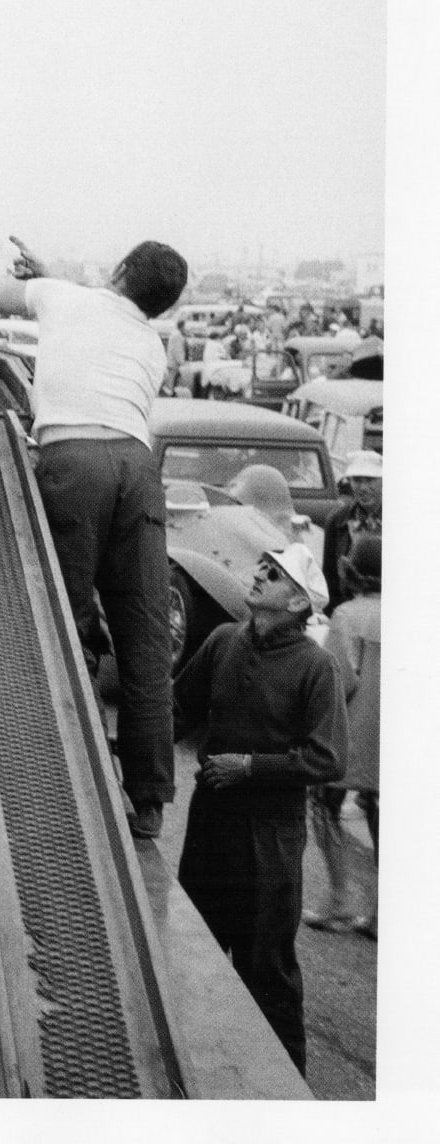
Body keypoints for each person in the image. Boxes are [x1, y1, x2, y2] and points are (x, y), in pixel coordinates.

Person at [0, 236, 189, 838]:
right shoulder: (150, 344)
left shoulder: (63, 299)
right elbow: (98, 316)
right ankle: (149, 800)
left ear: (120, 267)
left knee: (60, 624)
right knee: (145, 640)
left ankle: (63, 788)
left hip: (72, 461)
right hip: (137, 467)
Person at [174, 542, 345, 1077]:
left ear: (298, 604)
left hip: (268, 837)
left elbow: (329, 757)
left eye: (275, 575)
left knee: (265, 967)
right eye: (263, 566)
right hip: (210, 823)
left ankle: (286, 1093)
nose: (260, 574)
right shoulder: (224, 641)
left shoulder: (317, 668)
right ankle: (195, 1079)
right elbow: (178, 708)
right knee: (193, 953)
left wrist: (251, 765)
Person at [305, 533, 381, 939]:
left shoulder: (347, 615)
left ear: (353, 573)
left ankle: (339, 901)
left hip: (351, 730)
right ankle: (381, 912)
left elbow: (340, 680)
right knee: (381, 811)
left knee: (323, 803)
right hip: (394, 738)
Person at [321, 449, 382, 610]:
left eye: (370, 480)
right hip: (348, 607)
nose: (363, 487)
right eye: (357, 480)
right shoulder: (337, 520)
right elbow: (330, 575)